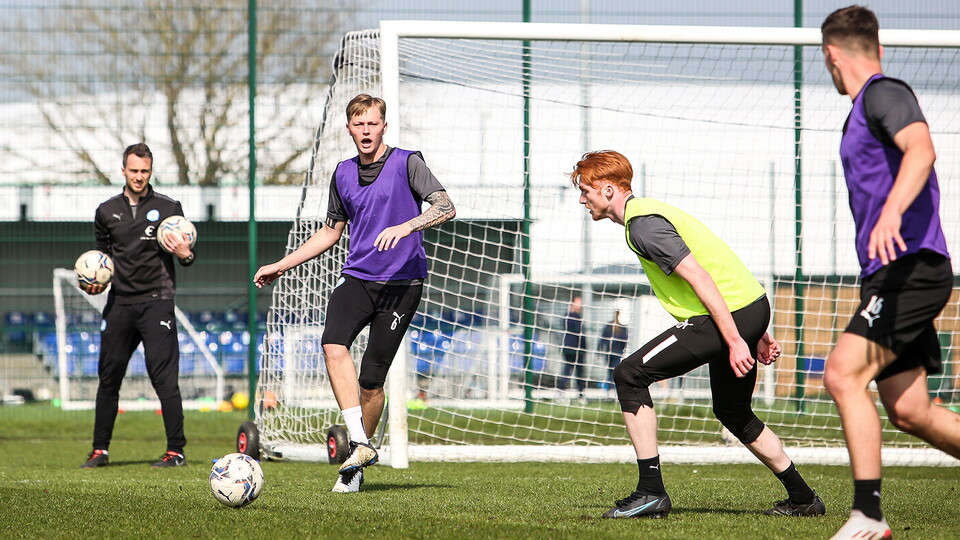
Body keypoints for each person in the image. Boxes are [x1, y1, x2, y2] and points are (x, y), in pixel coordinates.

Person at [570, 150, 824, 519]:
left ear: (607, 189)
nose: (582, 199)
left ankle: (651, 492)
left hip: (730, 317)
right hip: (747, 309)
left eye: (585, 190)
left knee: (629, 374)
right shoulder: (648, 214)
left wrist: (738, 339)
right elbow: (719, 267)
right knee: (733, 410)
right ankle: (803, 498)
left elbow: (700, 276)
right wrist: (755, 330)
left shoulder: (643, 225)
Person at [254, 93, 456, 493]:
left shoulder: (407, 163)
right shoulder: (343, 173)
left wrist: (407, 226)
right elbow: (330, 232)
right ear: (349, 128)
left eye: (372, 123)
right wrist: (281, 264)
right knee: (332, 345)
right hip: (358, 279)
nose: (366, 130)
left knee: (371, 383)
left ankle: (356, 466)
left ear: (384, 126)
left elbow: (446, 206)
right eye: (358, 124)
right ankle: (361, 444)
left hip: (402, 285)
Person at [821, 7, 957, 539]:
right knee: (911, 410)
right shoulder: (862, 109)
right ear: (877, 46)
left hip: (910, 268)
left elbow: (921, 149)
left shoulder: (883, 93)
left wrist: (893, 212)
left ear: (831, 55)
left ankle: (868, 516)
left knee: (842, 374)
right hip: (888, 274)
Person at [80, 142, 196, 469]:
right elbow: (101, 260)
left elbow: (187, 255)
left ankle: (176, 451)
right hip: (119, 303)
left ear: (151, 171)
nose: (139, 176)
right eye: (134, 170)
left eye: (144, 171)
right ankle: (99, 451)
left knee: (164, 379)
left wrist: (186, 253)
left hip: (157, 302)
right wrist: (93, 282)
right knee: (109, 378)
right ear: (123, 171)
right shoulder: (106, 211)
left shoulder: (169, 207)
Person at [558, 295, 587, 402]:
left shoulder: (578, 317)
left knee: (580, 373)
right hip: (571, 348)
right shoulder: (569, 316)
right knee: (567, 370)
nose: (580, 305)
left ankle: (581, 395)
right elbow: (576, 332)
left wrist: (584, 347)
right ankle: (561, 393)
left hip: (579, 349)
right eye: (578, 302)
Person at [599, 309, 629, 394]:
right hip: (616, 352)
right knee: (615, 371)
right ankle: (612, 389)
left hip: (611, 351)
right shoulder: (620, 328)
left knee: (610, 371)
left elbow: (603, 339)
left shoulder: (610, 327)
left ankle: (610, 389)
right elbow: (624, 341)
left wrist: (601, 348)